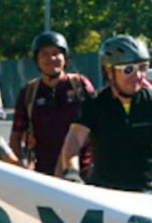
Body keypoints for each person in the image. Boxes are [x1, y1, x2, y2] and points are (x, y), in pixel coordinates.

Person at [59, 35, 152, 191]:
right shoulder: (95, 103)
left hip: (146, 191)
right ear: (109, 71)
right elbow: (74, 140)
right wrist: (71, 171)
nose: (138, 76)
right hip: (105, 193)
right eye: (128, 70)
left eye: (142, 68)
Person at [10, 31, 94, 175]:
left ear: (65, 57)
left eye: (56, 53)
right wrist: (19, 168)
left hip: (81, 171)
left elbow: (99, 126)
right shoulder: (29, 92)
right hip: (43, 172)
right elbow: (16, 136)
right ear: (36, 59)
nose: (51, 58)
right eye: (44, 54)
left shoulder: (80, 85)